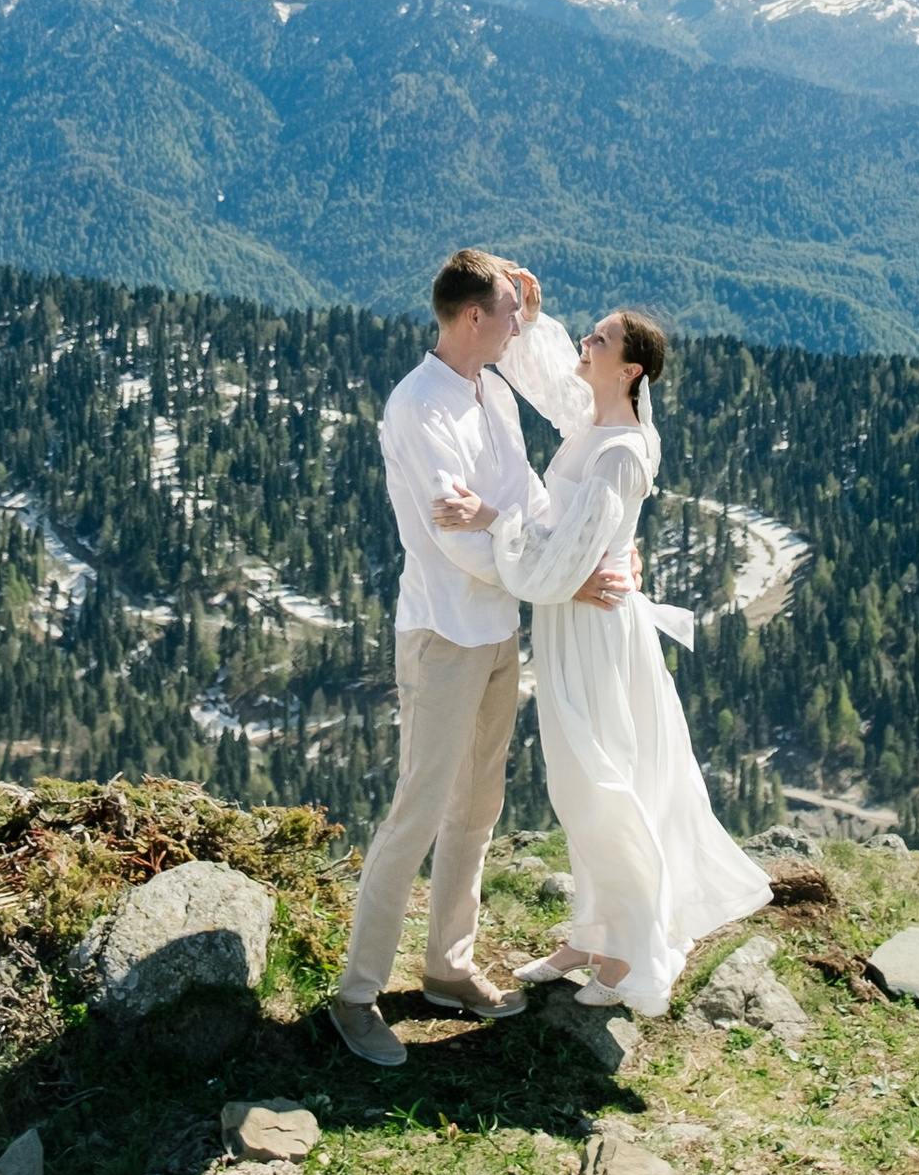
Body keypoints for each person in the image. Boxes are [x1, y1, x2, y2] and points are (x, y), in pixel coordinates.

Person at [328, 248, 636, 1069]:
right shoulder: (417, 408)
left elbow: (529, 501)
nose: (516, 326)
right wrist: (560, 585)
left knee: (477, 807)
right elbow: (456, 544)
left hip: (498, 630)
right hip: (443, 634)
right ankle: (356, 995)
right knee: (417, 812)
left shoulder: (491, 392)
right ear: (473, 318)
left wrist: (579, 559)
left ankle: (446, 969)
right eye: (509, 313)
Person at [434, 274, 770, 1013]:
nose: (584, 346)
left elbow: (564, 560)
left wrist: (491, 517)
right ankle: (593, 931)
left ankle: (628, 953)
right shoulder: (598, 426)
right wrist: (532, 315)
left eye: (599, 340)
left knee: (598, 781)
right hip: (576, 621)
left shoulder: (619, 450)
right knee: (578, 775)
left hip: (593, 630)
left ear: (630, 370)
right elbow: (555, 385)